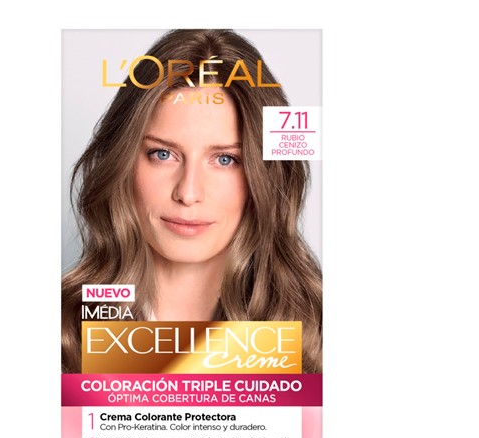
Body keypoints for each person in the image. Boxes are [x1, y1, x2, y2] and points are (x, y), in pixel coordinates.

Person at [62, 29, 322, 373]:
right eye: (162, 154)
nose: (188, 193)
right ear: (122, 162)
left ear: (265, 176)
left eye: (226, 159)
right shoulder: (63, 334)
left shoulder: (317, 335)